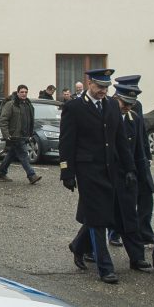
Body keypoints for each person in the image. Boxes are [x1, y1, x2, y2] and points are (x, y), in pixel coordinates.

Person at [57, 69, 137, 284]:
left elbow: (120, 139)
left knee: (103, 213)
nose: (103, 91)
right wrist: (67, 172)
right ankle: (105, 268)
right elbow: (67, 141)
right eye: (100, 86)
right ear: (89, 83)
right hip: (87, 170)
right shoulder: (74, 107)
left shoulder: (111, 105)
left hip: (110, 168)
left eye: (106, 87)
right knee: (97, 218)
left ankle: (78, 246)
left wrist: (129, 168)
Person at [113, 75, 154, 244]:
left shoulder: (136, 106)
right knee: (116, 202)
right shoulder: (112, 108)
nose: (131, 103)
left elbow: (141, 133)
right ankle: (114, 233)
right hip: (119, 163)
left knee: (146, 196)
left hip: (138, 159)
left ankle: (144, 233)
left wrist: (147, 156)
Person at [0, 84, 41, 184]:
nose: (24, 94)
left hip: (25, 135)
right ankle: (31, 175)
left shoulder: (28, 105)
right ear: (17, 93)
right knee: (23, 154)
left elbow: (30, 120)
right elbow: (3, 120)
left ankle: (1, 173)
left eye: (26, 92)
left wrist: (30, 134)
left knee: (11, 154)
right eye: (22, 92)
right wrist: (6, 134)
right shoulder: (11, 104)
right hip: (15, 136)